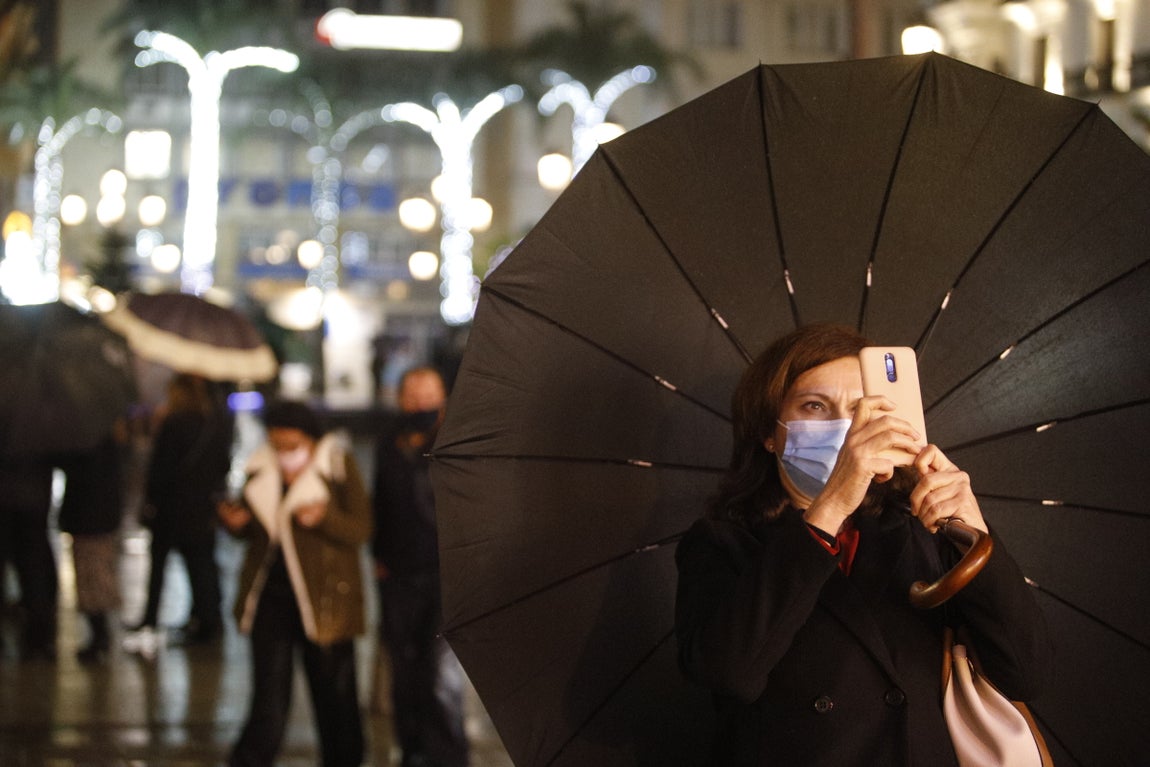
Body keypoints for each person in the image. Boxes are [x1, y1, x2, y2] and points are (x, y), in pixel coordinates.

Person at [674, 323, 1050, 766]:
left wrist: (973, 531)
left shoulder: (919, 529)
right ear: (770, 433)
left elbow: (1028, 674)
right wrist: (830, 504)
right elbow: (728, 673)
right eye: (815, 405)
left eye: (859, 410)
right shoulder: (722, 542)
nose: (844, 428)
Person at [219, 399, 371, 767]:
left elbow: (361, 528)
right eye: (276, 442)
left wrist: (325, 517)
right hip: (270, 601)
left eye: (291, 443)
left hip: (326, 601)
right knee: (268, 700)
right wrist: (236, 523)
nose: (283, 451)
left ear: (310, 438)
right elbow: (258, 533)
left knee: (335, 699)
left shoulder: (336, 466)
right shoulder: (260, 468)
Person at [373, 366, 469, 767]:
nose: (421, 403)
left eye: (430, 394)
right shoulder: (389, 441)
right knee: (404, 669)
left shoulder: (455, 442)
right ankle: (412, 749)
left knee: (439, 674)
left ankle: (448, 755)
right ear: (400, 399)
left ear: (444, 397)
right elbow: (380, 501)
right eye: (413, 395)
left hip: (445, 575)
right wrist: (378, 555)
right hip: (397, 574)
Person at [133, 373, 233, 644]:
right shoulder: (217, 423)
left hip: (171, 507)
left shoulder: (174, 422)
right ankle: (207, 619)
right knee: (202, 565)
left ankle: (151, 617)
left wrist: (150, 501)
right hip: (201, 507)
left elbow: (159, 469)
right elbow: (224, 464)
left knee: (160, 564)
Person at [56, 429, 127, 664]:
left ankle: (100, 636)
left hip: (90, 519)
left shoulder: (90, 444)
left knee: (92, 577)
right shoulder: (108, 442)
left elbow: (82, 479)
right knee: (96, 576)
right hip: (99, 518)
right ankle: (100, 634)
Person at [0, 455, 58, 660]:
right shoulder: (38, 431)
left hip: (14, 502)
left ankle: (37, 635)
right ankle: (39, 638)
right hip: (33, 503)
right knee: (35, 572)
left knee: (33, 571)